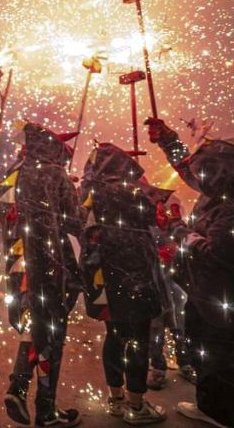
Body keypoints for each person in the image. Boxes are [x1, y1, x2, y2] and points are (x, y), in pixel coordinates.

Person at [146, 119, 234, 427]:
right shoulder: (224, 185)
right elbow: (191, 169)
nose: (200, 177)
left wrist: (176, 228)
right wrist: (168, 140)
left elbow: (215, 251)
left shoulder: (229, 207)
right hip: (209, 293)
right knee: (208, 347)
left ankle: (218, 412)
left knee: (217, 352)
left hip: (219, 296)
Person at [78, 143, 169, 425]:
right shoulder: (131, 191)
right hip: (134, 276)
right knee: (138, 339)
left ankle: (116, 399)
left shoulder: (90, 192)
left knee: (114, 336)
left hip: (105, 278)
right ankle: (136, 404)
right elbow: (151, 219)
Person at [2, 123, 84, 427]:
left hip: (17, 269)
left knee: (34, 330)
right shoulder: (54, 174)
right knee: (52, 335)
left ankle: (18, 388)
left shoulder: (14, 173)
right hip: (47, 267)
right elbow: (75, 222)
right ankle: (46, 410)